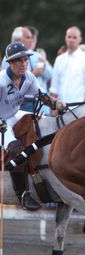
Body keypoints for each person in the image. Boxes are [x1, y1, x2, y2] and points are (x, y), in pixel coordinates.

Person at [0, 43, 59, 210]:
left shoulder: (29, 77)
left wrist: (56, 104)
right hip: (1, 120)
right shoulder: (1, 82)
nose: (24, 64)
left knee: (48, 125)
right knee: (16, 150)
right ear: (10, 63)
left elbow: (42, 96)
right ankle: (23, 195)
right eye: (19, 61)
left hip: (14, 114)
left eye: (26, 60)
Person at [50, 26, 85, 103]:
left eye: (74, 37)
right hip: (60, 106)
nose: (71, 40)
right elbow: (54, 87)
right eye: (69, 37)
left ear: (80, 39)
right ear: (65, 38)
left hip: (79, 106)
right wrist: (53, 106)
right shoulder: (59, 60)